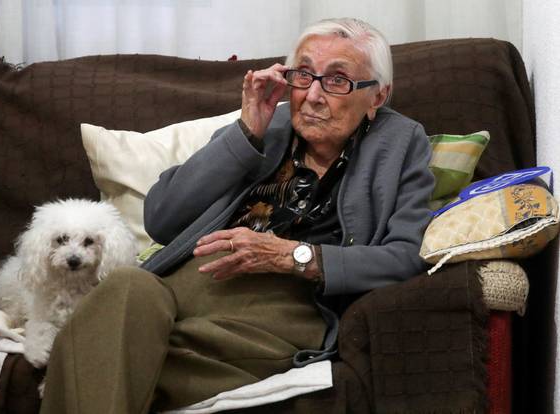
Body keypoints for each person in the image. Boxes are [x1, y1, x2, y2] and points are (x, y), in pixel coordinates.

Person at [40, 17, 434, 413]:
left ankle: (82, 358)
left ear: (377, 97)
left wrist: (293, 256)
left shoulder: (400, 143)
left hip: (277, 307)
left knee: (99, 355)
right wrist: (245, 134)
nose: (312, 95)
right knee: (128, 286)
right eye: (303, 74)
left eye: (336, 80)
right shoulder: (267, 125)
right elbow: (161, 217)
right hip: (176, 290)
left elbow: (407, 255)